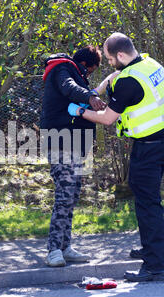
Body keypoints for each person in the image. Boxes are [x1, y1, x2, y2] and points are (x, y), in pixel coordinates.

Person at [69, 32, 164, 282]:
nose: (108, 63)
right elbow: (120, 77)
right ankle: (156, 248)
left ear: (120, 55)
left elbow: (107, 118)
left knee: (147, 203)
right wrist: (106, 82)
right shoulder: (150, 64)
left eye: (109, 59)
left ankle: (154, 265)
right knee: (149, 199)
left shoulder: (129, 81)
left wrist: (79, 111)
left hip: (148, 147)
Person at [40, 46, 107, 267]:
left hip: (76, 145)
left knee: (72, 195)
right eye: (91, 71)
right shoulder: (63, 69)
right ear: (86, 65)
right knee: (64, 195)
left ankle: (65, 246)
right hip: (60, 142)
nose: (89, 75)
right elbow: (69, 88)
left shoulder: (76, 74)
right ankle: (53, 250)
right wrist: (91, 96)